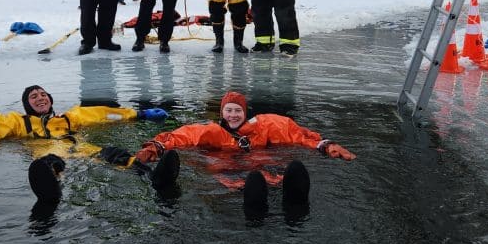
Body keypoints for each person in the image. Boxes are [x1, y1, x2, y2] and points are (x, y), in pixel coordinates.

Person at [112, 91, 355, 214]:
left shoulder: (266, 125)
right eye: (228, 110)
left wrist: (324, 145)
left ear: (245, 112)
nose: (233, 115)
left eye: (238, 111)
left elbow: (296, 133)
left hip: (266, 173)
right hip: (228, 177)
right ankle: (257, 209)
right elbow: (180, 136)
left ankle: (295, 205)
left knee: (271, 177)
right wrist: (155, 147)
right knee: (251, 188)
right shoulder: (211, 131)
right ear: (222, 113)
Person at [0, 84, 171, 203]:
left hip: (81, 150)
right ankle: (51, 194)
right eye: (33, 96)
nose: (40, 97)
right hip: (47, 154)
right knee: (50, 163)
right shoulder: (19, 122)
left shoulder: (69, 117)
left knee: (113, 153)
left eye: (43, 94)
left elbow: (103, 114)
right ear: (27, 105)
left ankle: (153, 175)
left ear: (50, 99)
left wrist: (139, 114)